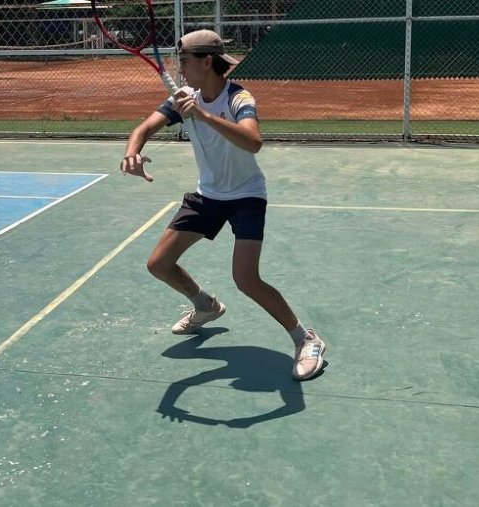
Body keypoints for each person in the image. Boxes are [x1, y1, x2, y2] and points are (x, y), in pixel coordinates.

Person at [120, 29, 327, 380]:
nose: (180, 67)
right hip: (208, 196)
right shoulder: (183, 97)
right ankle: (206, 305)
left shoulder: (237, 97)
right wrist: (132, 153)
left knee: (246, 278)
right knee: (158, 264)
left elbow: (253, 141)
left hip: (246, 195)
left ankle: (306, 339)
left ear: (206, 62)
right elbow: (143, 128)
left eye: (185, 60)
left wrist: (202, 115)